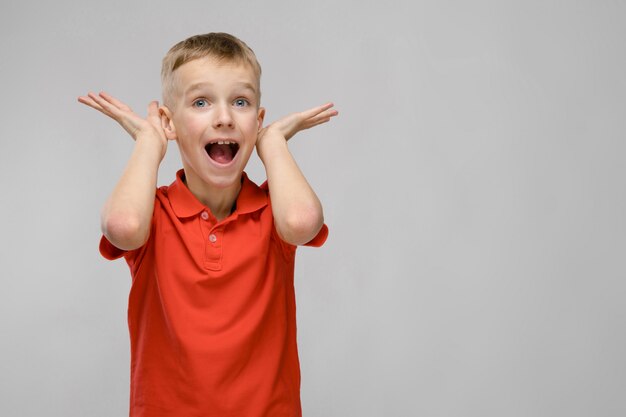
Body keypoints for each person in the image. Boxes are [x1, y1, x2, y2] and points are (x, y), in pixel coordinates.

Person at [78, 32, 337, 417]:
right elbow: (122, 226)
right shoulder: (155, 212)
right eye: (201, 102)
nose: (224, 117)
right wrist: (149, 141)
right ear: (170, 121)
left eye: (241, 102)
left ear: (258, 120)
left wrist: (274, 145)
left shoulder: (273, 210)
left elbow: (302, 223)